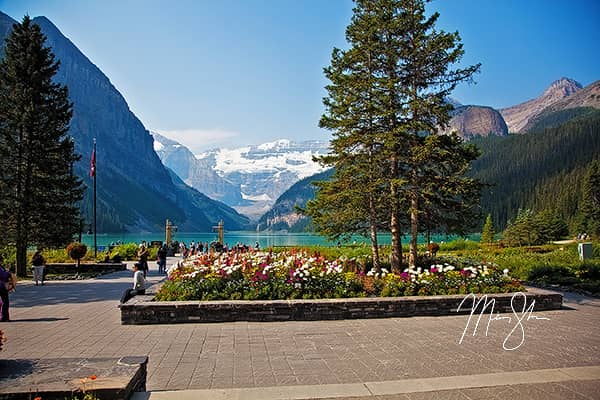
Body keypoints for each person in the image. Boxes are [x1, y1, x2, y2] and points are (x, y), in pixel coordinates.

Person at [0, 255, 14, 322]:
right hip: (1, 287)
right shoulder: (0, 268)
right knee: (5, 302)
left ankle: (4, 316)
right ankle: (4, 317)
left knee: (3, 302)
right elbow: (3, 275)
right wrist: (8, 274)